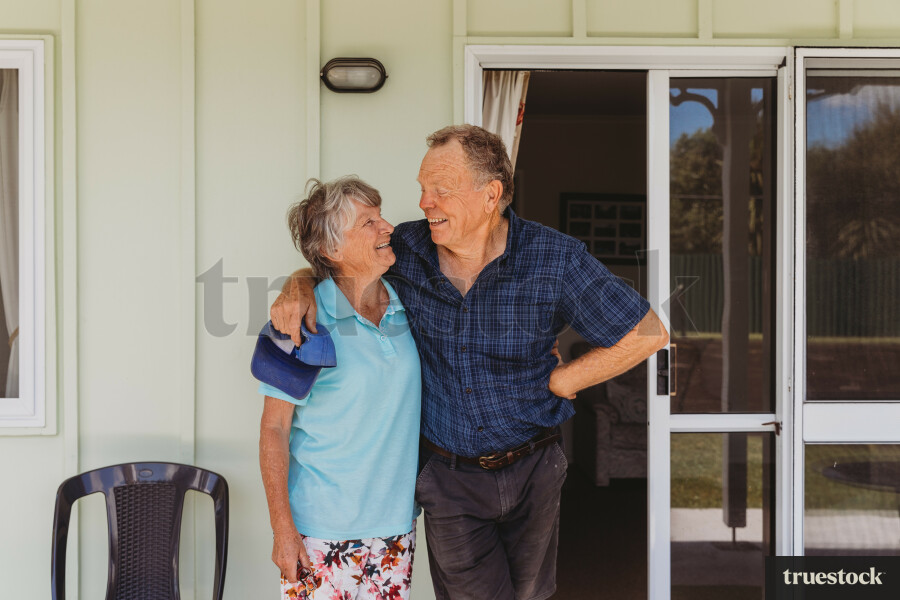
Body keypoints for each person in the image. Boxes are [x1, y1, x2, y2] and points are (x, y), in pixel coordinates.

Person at [270, 125, 669, 600]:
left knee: (531, 596)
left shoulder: (554, 258)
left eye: (440, 190)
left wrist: (566, 378)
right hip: (449, 477)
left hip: (535, 468)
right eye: (422, 189)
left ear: (490, 194)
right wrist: (295, 286)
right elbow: (335, 263)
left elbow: (649, 332)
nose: (423, 203)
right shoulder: (407, 251)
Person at [258, 176, 421, 600]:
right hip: (320, 534)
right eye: (369, 222)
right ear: (332, 251)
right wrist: (282, 530)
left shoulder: (409, 301)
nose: (388, 227)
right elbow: (273, 428)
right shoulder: (298, 323)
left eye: (380, 215)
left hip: (395, 530)